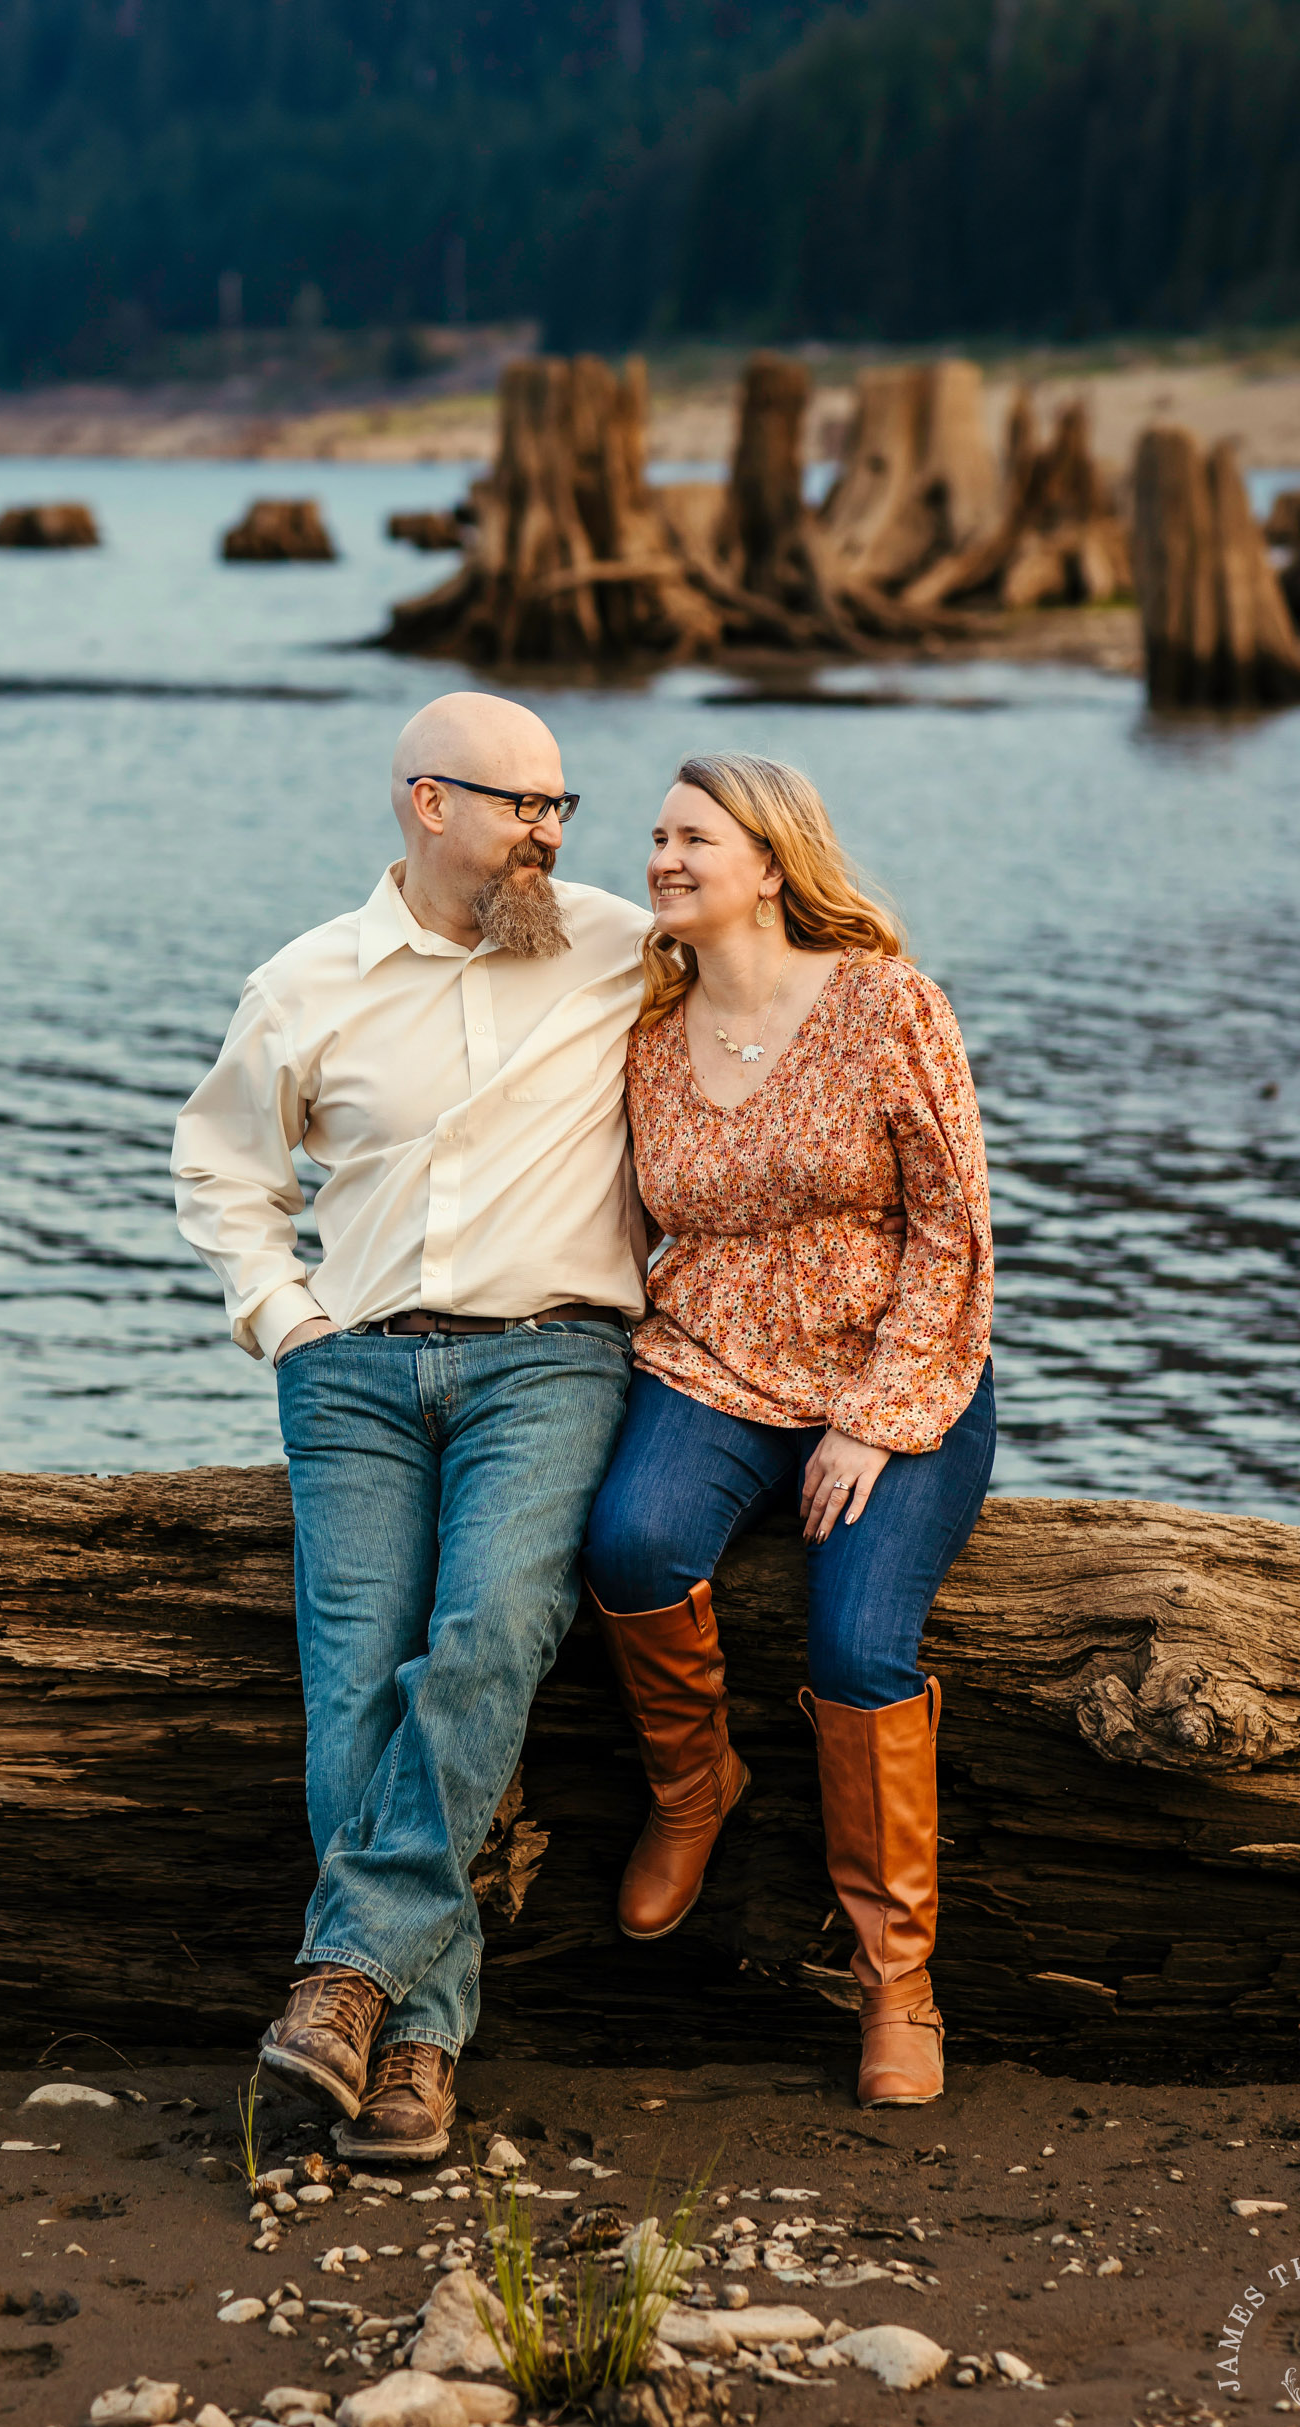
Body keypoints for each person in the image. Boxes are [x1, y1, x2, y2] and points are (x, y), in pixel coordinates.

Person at [172, 690, 650, 2159]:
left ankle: (345, 1982)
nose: (548, 836)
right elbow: (220, 1169)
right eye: (520, 805)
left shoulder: (626, 950)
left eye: (562, 806)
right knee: (353, 1691)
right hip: (356, 1372)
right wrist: (286, 1319)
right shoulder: (305, 983)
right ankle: (416, 2055)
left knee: (494, 1632)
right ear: (425, 804)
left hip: (553, 1362)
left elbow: (789, 967)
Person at [581, 751, 994, 2110]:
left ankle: (898, 1988)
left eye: (693, 837)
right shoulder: (646, 1029)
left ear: (772, 861)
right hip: (707, 1365)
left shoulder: (887, 1007)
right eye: (653, 838)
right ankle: (697, 1789)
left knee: (858, 1645)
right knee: (633, 1542)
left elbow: (953, 1232)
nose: (661, 859)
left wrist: (874, 1421)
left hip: (897, 1369)